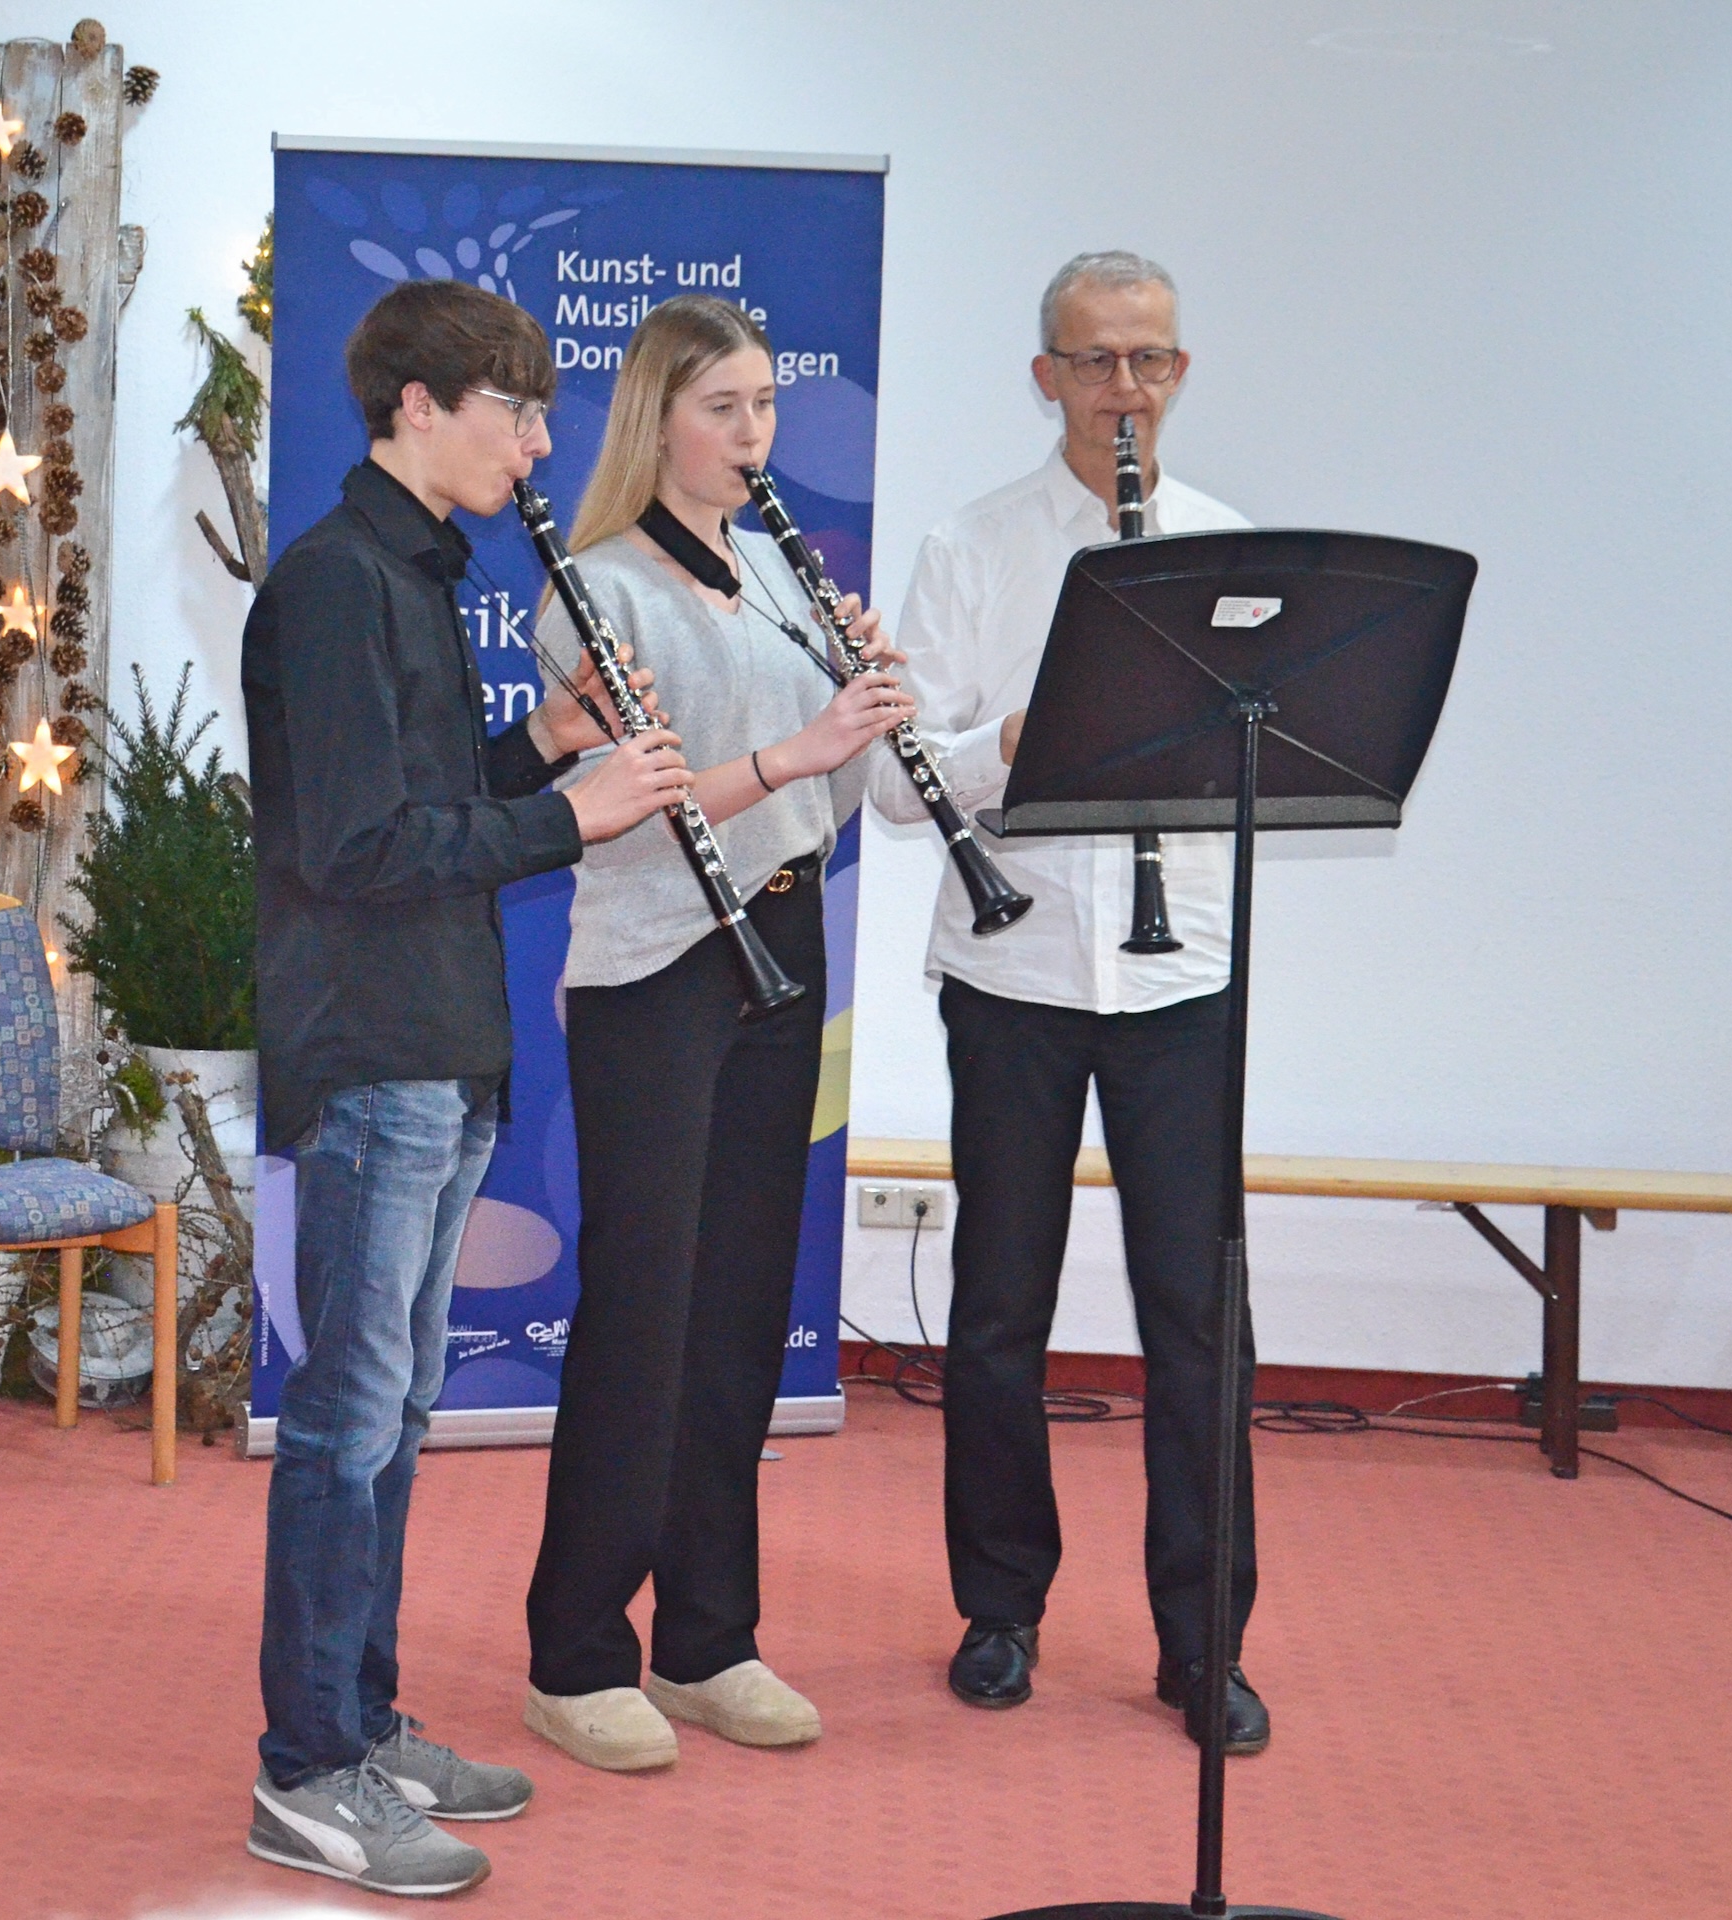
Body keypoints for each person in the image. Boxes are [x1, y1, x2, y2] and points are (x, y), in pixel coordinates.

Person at [242, 277, 694, 1897]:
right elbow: (358, 850)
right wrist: (577, 817)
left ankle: (362, 1725)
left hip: (440, 1043)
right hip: (375, 1048)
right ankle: (306, 1771)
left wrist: (544, 746)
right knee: (346, 1420)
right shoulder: (334, 582)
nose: (539, 444)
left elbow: (424, 802)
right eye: (515, 411)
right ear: (419, 407)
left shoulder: (417, 570)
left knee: (399, 1412)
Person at [873, 250, 1273, 1753]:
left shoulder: (1232, 551)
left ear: (1180, 371)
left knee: (1199, 1320)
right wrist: (1022, 738)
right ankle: (1000, 1608)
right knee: (996, 1313)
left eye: (1149, 359)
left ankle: (1203, 1643)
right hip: (1015, 971)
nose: (1125, 390)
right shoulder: (970, 547)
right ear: (1044, 376)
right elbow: (894, 787)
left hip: (1182, 978)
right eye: (1095, 361)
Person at [520, 295, 914, 1774]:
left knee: (744, 1301)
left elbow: (852, 794)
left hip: (785, 944)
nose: (754, 436)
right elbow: (636, 804)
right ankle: (575, 1654)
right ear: (658, 420)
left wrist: (871, 712)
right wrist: (799, 745)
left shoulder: (785, 576)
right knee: (646, 1303)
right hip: (658, 965)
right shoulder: (598, 592)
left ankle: (706, 1638)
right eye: (723, 409)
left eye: (766, 407)